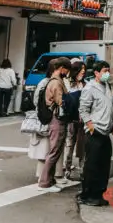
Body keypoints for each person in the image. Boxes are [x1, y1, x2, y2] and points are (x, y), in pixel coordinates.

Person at [79, 60, 113, 207]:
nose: (107, 73)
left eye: (108, 70)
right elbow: (83, 109)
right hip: (95, 132)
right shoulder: (89, 88)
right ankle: (88, 195)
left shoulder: (107, 86)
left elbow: (112, 107)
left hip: (105, 132)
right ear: (96, 73)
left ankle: (99, 194)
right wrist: (90, 127)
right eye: (104, 71)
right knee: (92, 165)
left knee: (104, 165)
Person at [37, 56, 72, 191]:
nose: (67, 73)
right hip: (57, 119)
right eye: (66, 69)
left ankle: (49, 180)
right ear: (62, 68)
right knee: (54, 151)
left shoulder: (53, 81)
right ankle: (44, 182)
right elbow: (60, 101)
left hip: (54, 118)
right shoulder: (57, 83)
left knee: (55, 150)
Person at [63, 59, 86, 179]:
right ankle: (67, 168)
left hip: (83, 120)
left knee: (82, 145)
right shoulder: (67, 83)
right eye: (81, 71)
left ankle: (83, 170)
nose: (83, 73)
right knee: (69, 143)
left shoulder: (85, 84)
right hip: (71, 119)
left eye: (84, 71)